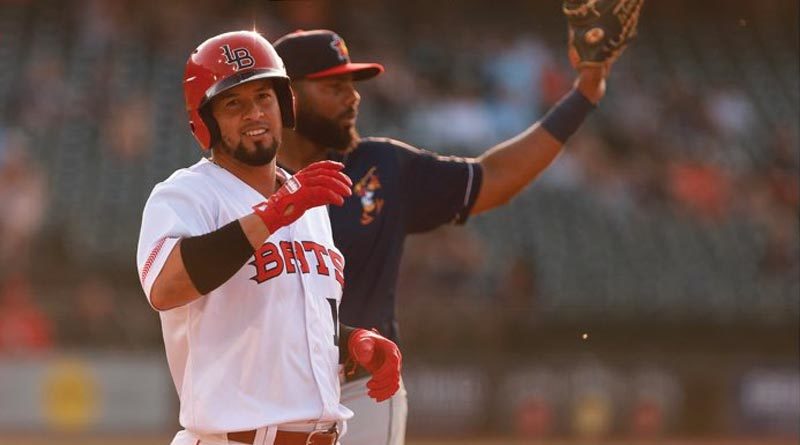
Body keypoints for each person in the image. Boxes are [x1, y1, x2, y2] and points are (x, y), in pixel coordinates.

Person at [274, 25, 621, 445]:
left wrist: (582, 97)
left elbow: (496, 176)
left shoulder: (381, 166)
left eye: (353, 84)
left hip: (360, 390)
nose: (353, 97)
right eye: (333, 86)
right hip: (269, 391)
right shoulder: (245, 184)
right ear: (287, 96)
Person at [136, 30, 401, 445]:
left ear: (285, 105)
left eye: (264, 97)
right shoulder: (186, 193)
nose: (254, 113)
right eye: (233, 103)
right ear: (204, 122)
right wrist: (274, 214)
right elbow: (165, 288)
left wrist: (354, 343)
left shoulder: (306, 200)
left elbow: (291, 320)